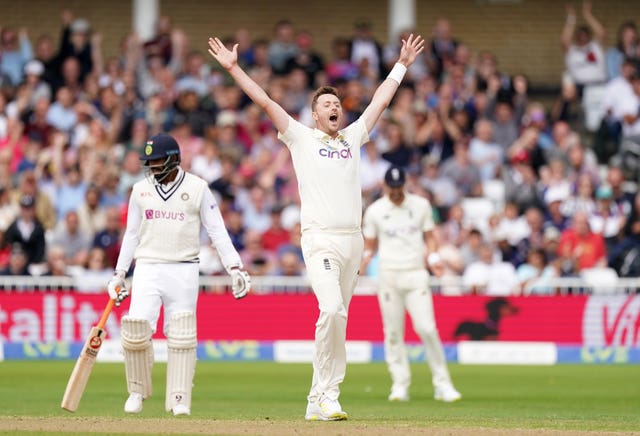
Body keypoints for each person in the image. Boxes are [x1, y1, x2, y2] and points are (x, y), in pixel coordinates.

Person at [208, 32, 424, 421]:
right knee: (332, 310)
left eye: (337, 103)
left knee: (339, 318)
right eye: (326, 103)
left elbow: (381, 100)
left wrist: (402, 65)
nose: (334, 107)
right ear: (315, 114)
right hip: (320, 239)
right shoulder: (300, 137)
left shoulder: (353, 137)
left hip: (353, 241)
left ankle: (315, 400)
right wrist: (234, 69)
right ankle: (328, 396)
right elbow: (264, 100)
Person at [106, 133, 251, 416]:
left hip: (184, 268)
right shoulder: (140, 190)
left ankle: (180, 398)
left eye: (157, 161)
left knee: (182, 334)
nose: (153, 167)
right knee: (136, 329)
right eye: (149, 162)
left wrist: (235, 267)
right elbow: (132, 235)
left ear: (173, 159)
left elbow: (217, 230)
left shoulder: (198, 188)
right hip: (147, 266)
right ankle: (136, 391)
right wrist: (119, 274)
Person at [360, 165, 461, 403]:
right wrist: (362, 263)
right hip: (389, 276)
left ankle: (443, 384)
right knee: (393, 333)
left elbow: (430, 237)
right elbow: (370, 246)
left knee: (427, 328)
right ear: (385, 186)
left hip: (416, 274)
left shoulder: (420, 206)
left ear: (405, 184)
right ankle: (400, 384)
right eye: (391, 188)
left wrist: (434, 258)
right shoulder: (375, 211)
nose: (395, 192)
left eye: (398, 187)